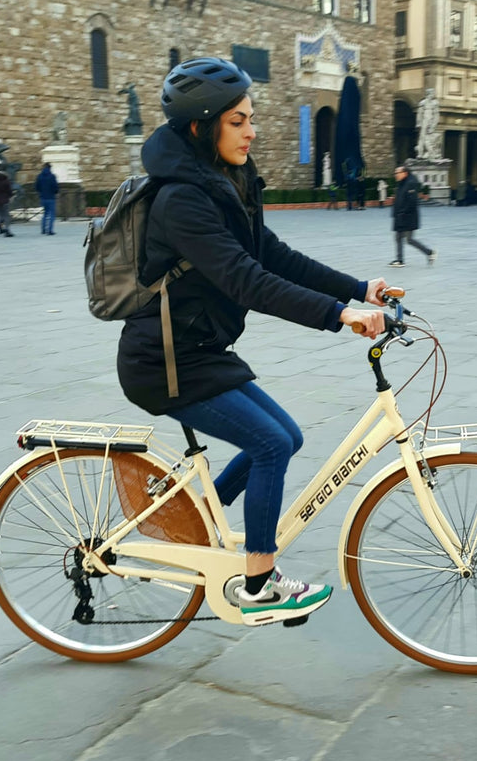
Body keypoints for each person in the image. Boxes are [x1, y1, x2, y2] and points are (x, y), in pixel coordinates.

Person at [116, 56, 388, 626]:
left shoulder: (225, 181)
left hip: (198, 350)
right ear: (202, 127)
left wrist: (361, 288)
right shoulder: (181, 200)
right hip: (165, 360)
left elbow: (273, 254)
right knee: (268, 444)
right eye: (238, 121)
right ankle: (258, 583)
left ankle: (192, 522)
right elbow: (247, 280)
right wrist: (340, 315)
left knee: (285, 437)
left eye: (251, 119)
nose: (251, 131)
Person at [389, 165, 436, 268]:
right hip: (400, 216)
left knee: (409, 239)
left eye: (397, 173)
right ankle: (399, 260)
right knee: (398, 237)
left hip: (408, 217)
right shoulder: (402, 183)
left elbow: (412, 201)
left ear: (404, 173)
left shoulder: (410, 184)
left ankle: (429, 252)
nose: (396, 175)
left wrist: (403, 212)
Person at [34, 161, 60, 235]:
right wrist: (55, 192)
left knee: (45, 214)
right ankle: (50, 230)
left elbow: (37, 187)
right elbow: (55, 187)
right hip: (51, 197)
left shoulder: (39, 176)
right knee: (51, 214)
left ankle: (43, 229)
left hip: (43, 197)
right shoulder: (52, 176)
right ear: (50, 168)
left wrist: (41, 192)